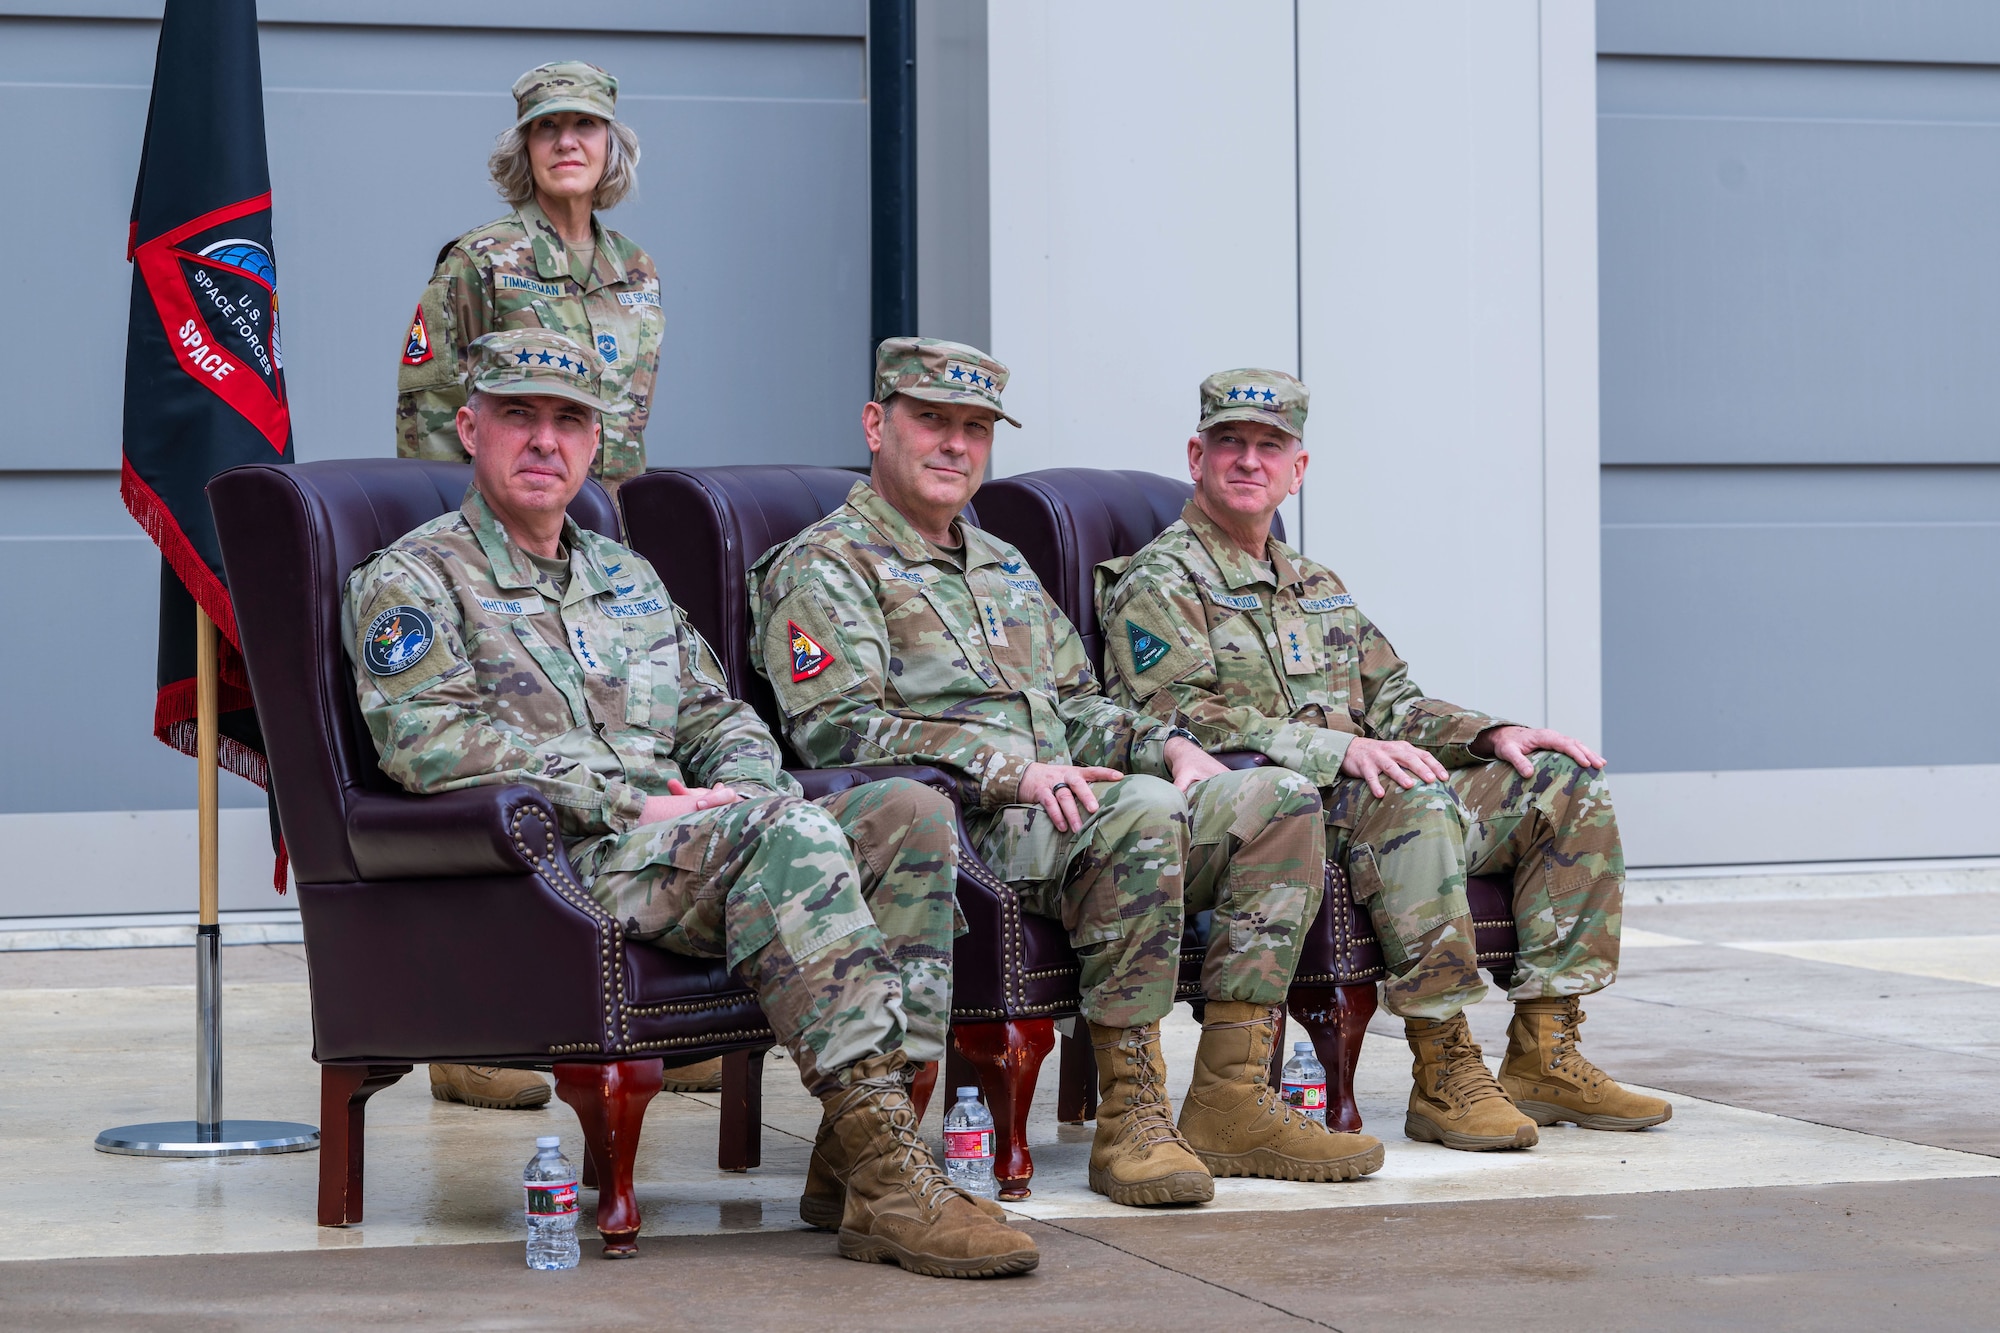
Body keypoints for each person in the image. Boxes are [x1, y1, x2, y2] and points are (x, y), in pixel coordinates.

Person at [346, 328, 1034, 1278]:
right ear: (470, 427)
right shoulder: (413, 578)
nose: (545, 440)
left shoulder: (626, 577)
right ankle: (891, 1171)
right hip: (564, 861)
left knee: (909, 810)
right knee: (789, 830)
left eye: (569, 421)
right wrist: (634, 802)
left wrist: (741, 789)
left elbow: (721, 715)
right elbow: (427, 744)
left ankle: (854, 1161)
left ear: (598, 444)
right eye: (519, 416)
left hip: (694, 839)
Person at [750, 338, 1384, 1207]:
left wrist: (1164, 743)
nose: (953, 445)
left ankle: (1233, 1096)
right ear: (875, 425)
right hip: (949, 824)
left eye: (974, 429)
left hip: (1064, 811)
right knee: (1142, 816)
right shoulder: (825, 564)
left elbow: (1080, 704)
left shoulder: (1000, 565)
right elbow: (835, 730)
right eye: (930, 420)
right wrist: (1008, 769)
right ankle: (1131, 1115)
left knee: (1276, 796)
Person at [1096, 368, 1671, 1153]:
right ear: (1197, 455)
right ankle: (1444, 1066)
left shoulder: (1316, 586)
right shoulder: (1159, 581)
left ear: (1297, 471)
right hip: (1271, 812)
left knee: (1560, 782)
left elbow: (1395, 700)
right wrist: (1344, 749)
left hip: (1357, 794)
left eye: (1270, 446)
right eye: (1229, 442)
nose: (1247, 461)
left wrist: (1490, 733)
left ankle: (1546, 1052)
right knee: (1415, 802)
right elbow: (1178, 718)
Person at [395, 60, 662, 491]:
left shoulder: (637, 271)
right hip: (507, 533)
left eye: (586, 123)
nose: (567, 142)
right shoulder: (480, 261)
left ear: (611, 143)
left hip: (613, 535)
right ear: (525, 146)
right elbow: (433, 426)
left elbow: (628, 424)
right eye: (547, 126)